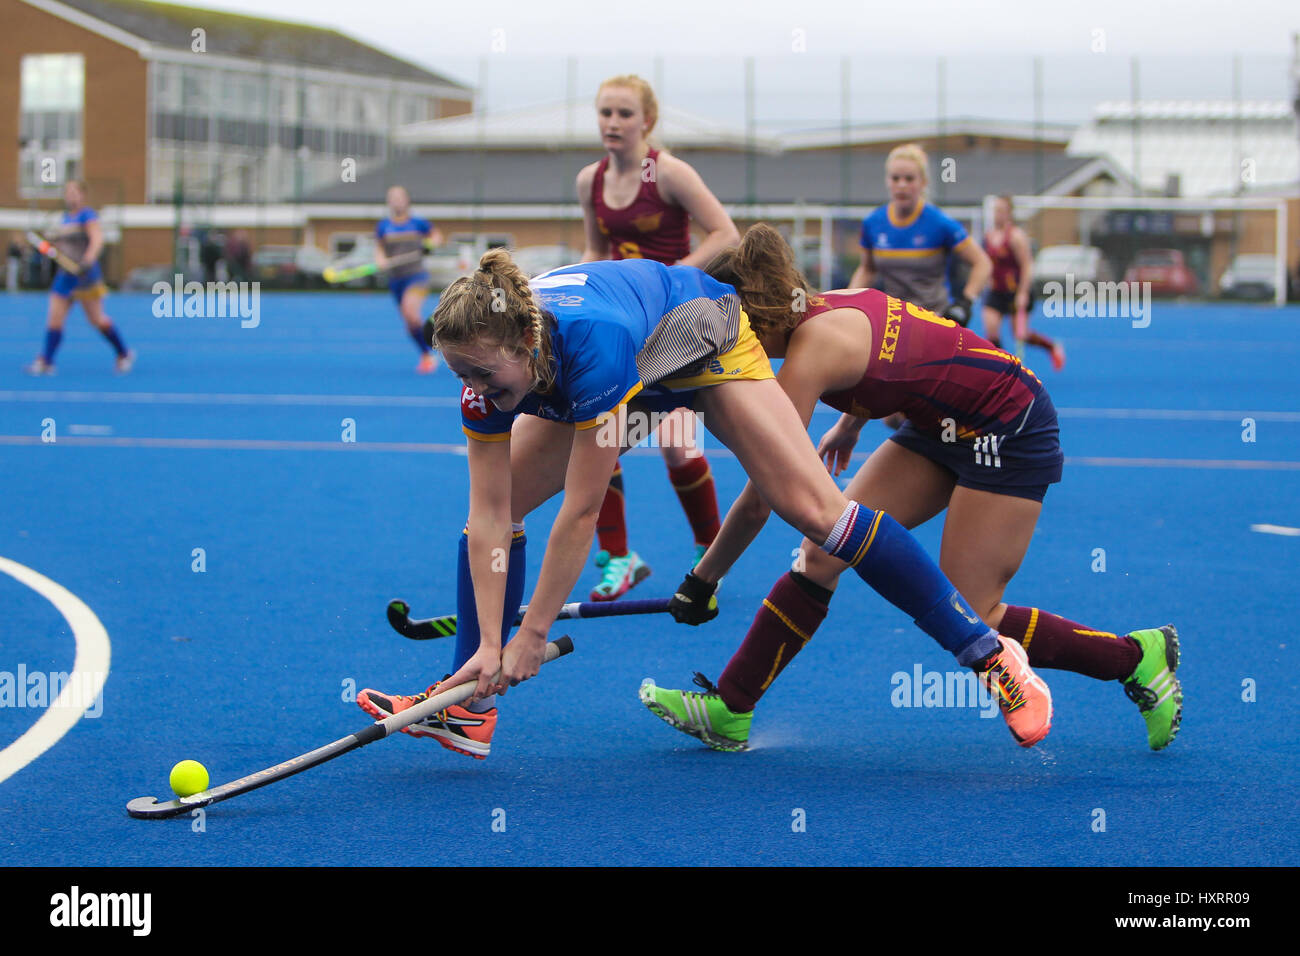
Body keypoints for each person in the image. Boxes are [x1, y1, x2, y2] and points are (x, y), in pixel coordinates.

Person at [354, 250, 1053, 758]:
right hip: (623, 355)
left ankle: (990, 656)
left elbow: (580, 511)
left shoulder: (590, 350)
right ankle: (466, 705)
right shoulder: (490, 375)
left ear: (525, 343)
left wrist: (530, 633)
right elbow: (489, 521)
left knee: (818, 513)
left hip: (702, 344)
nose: (471, 386)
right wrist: (486, 646)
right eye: (459, 373)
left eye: (479, 372)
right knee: (497, 512)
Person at [638, 224, 1181, 752]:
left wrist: (703, 578)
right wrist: (851, 424)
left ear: (754, 322)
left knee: (971, 609)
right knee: (821, 554)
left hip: (1009, 425)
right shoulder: (829, 302)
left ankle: (1134, 657)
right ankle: (732, 707)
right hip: (938, 425)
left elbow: (764, 496)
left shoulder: (806, 359)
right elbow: (907, 355)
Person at [575, 75, 739, 601]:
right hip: (624, 326)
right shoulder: (589, 181)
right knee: (598, 436)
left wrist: (672, 279)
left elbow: (726, 234)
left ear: (647, 120)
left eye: (624, 113)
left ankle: (709, 556)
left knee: (675, 443)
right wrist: (569, 296)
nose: (613, 123)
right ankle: (619, 557)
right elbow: (595, 251)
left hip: (678, 323)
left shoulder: (669, 173)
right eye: (605, 113)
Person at [24, 181, 133, 375]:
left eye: (75, 192)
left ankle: (123, 353)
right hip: (65, 276)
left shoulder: (87, 215)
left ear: (83, 195)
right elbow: (57, 250)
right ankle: (46, 361)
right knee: (54, 319)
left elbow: (97, 240)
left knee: (97, 320)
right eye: (68, 192)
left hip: (85, 277)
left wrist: (87, 262)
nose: (71, 196)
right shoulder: (65, 219)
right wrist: (45, 247)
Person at [982, 195, 1065, 369]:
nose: (997, 215)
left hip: (1015, 291)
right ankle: (1003, 369)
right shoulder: (988, 236)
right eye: (995, 210)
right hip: (996, 291)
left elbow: (1027, 265)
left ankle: (1051, 347)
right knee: (991, 331)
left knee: (1021, 335)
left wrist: (1022, 293)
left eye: (1001, 211)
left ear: (1009, 214)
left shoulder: (1016, 236)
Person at [376, 185, 443, 374]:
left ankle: (434, 347)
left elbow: (436, 236)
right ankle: (426, 354)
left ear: (406, 200)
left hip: (417, 276)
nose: (397, 201)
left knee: (411, 313)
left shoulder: (418, 223)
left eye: (400, 197)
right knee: (409, 322)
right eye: (393, 197)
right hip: (396, 279)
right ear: (389, 202)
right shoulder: (383, 226)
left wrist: (430, 244)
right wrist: (380, 260)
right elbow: (379, 248)